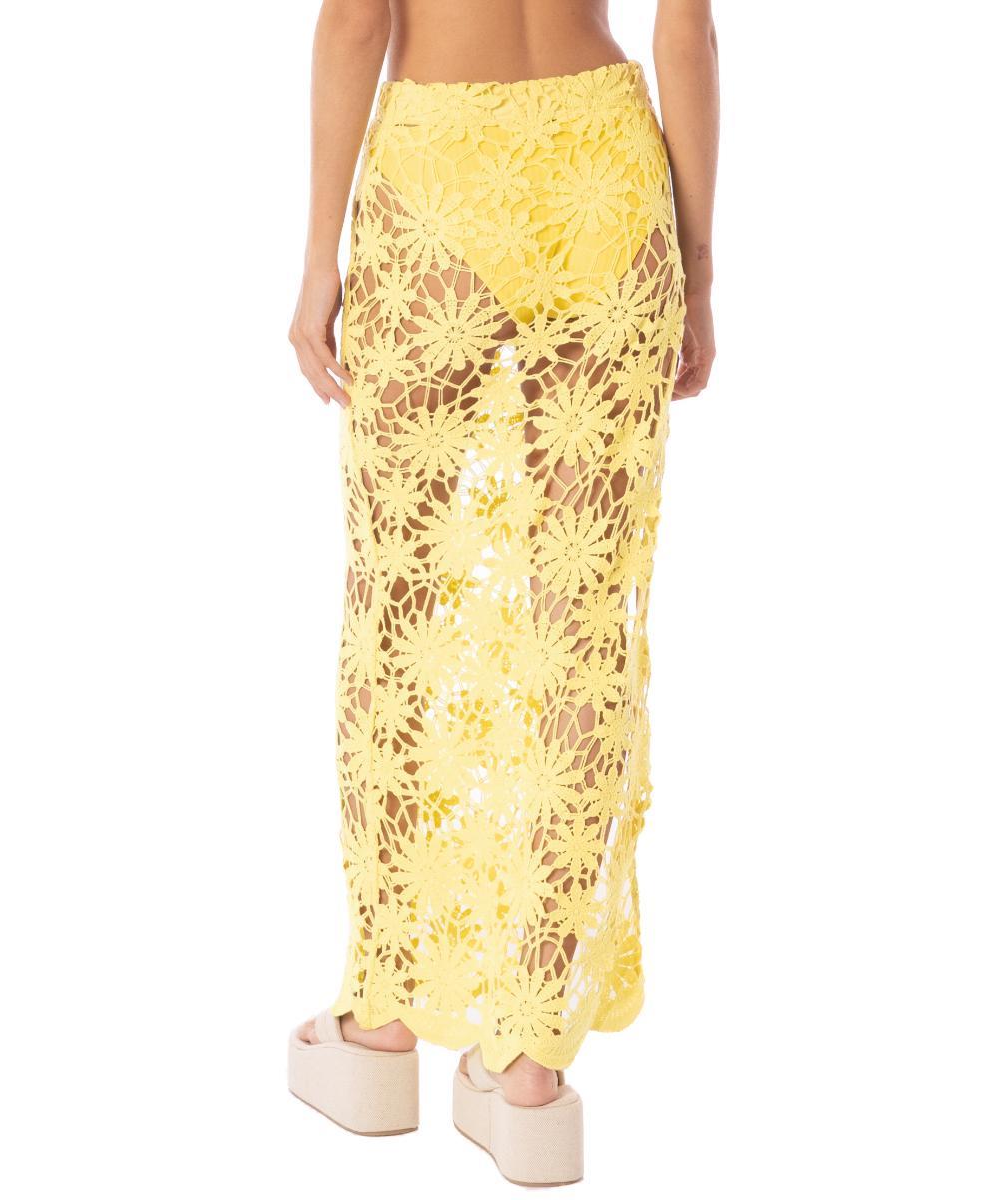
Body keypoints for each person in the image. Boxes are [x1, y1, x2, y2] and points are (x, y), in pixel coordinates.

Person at [286, 0, 718, 1184]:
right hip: (607, 178)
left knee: (398, 609)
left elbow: (355, 23)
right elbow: (686, 35)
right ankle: (528, 1062)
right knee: (584, 624)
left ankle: (381, 1018)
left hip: (436, 173)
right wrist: (698, 268)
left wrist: (318, 259)